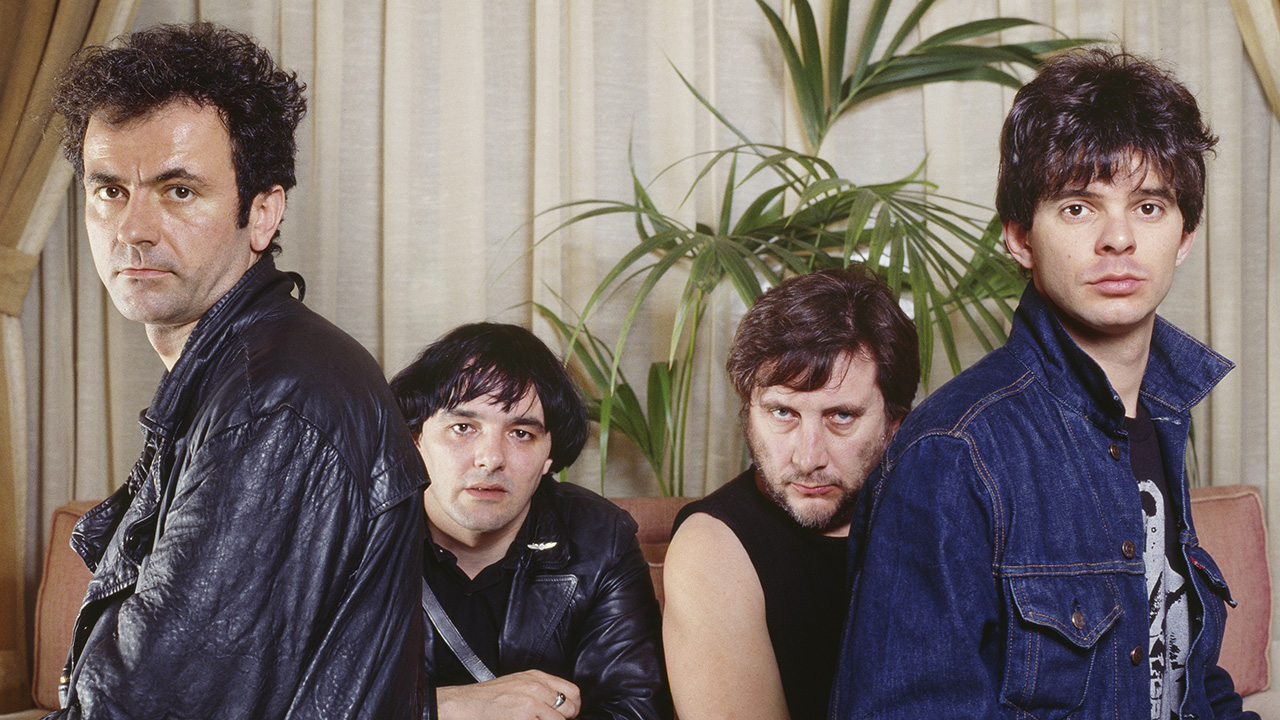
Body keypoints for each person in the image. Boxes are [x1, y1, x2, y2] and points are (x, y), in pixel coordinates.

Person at [832, 48, 1259, 719]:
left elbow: (1186, 677)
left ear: (1185, 236)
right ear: (1020, 237)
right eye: (1079, 207)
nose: (1118, 239)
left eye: (1149, 206)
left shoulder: (1158, 417)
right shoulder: (953, 453)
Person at [47, 23, 426, 719]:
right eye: (109, 191)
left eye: (178, 191)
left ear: (262, 213)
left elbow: (153, 706)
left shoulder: (272, 401)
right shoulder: (240, 373)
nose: (133, 229)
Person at [662, 266, 919, 720]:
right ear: (748, 413)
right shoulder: (714, 546)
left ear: (895, 424)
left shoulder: (935, 518)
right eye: (782, 412)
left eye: (841, 416)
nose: (807, 457)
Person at [389, 322, 671, 720]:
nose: (490, 458)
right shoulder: (358, 533)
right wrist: (443, 708)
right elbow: (310, 700)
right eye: (463, 428)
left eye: (521, 433)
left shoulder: (599, 539)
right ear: (415, 438)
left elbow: (636, 710)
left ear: (549, 455)